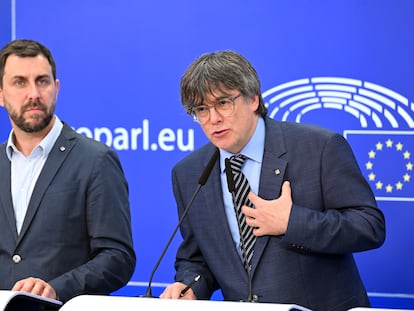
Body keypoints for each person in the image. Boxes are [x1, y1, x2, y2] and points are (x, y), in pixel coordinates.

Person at [159, 50, 386, 310]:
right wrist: (190, 286)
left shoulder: (319, 147)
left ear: (253, 98)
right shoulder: (188, 173)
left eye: (223, 103)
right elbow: (197, 258)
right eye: (201, 109)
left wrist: (292, 222)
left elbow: (369, 226)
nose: (213, 119)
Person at [0, 39, 136, 303]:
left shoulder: (95, 160)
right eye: (20, 82)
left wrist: (56, 289)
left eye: (42, 81)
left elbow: (118, 257)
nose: (34, 94)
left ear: (56, 88)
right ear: (1, 95)